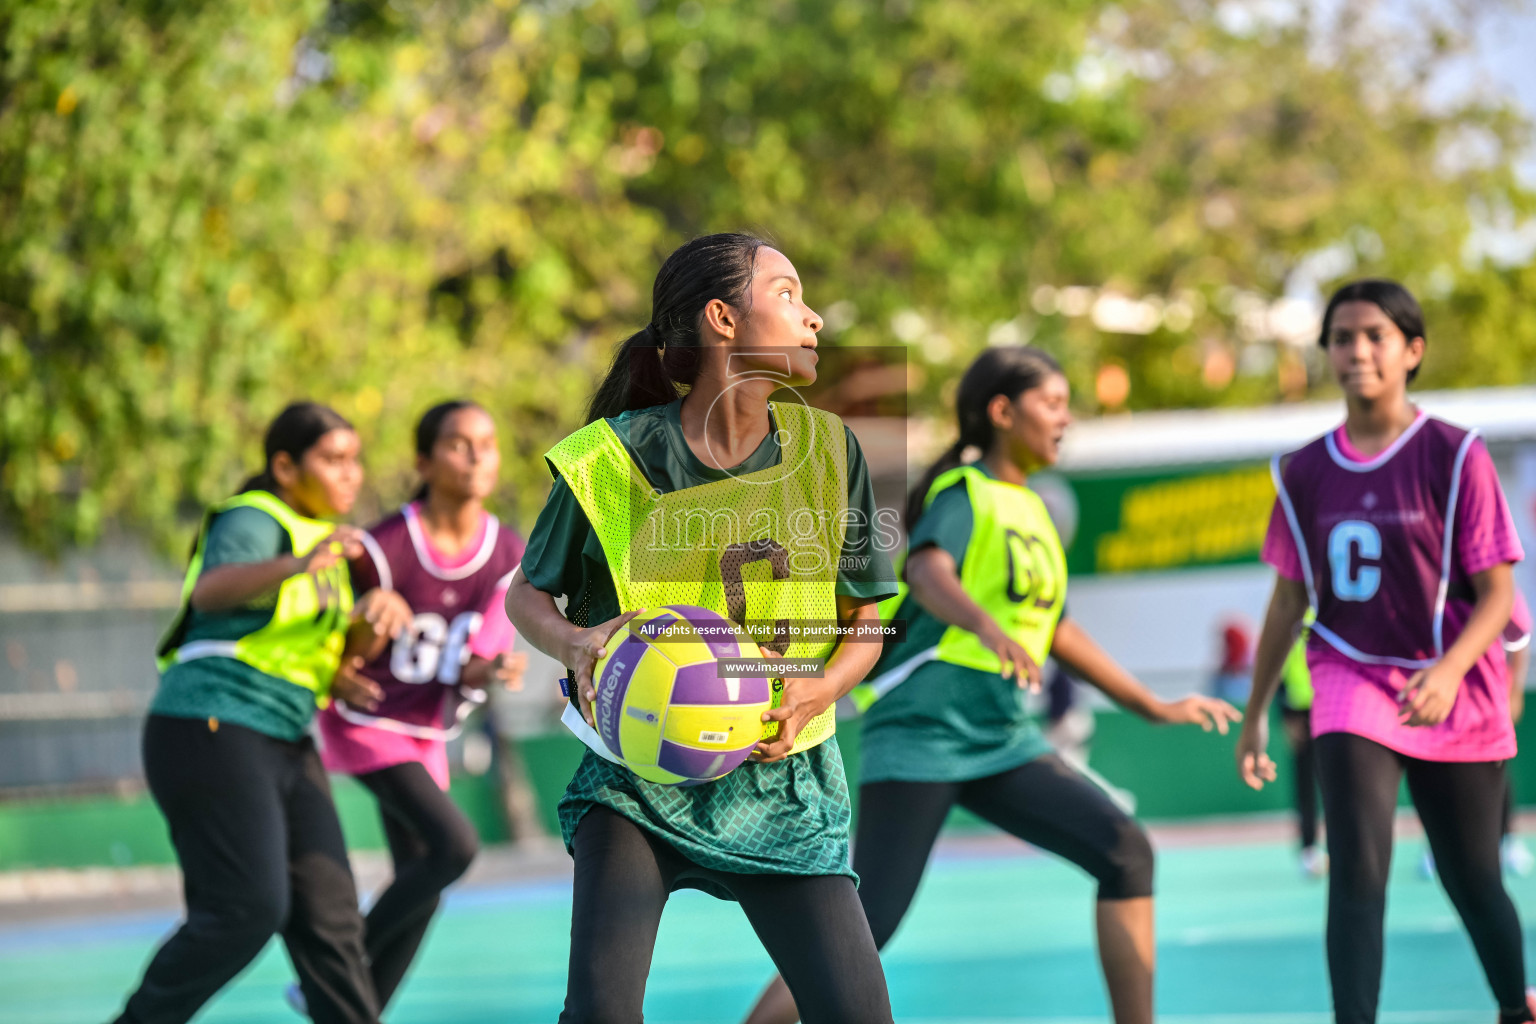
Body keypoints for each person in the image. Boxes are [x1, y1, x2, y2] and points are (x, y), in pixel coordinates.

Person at [744, 346, 1239, 1024]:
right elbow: (926, 572)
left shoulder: (1034, 510)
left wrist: (1149, 704)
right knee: (870, 921)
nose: (1067, 419)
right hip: (927, 727)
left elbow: (1057, 629)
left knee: (1126, 852)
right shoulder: (964, 493)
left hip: (1002, 734)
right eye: (1053, 404)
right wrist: (985, 626)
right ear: (1003, 412)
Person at [504, 233, 898, 1024]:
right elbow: (526, 596)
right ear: (723, 318)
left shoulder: (831, 449)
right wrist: (576, 642)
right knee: (601, 1016)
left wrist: (818, 690)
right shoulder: (611, 460)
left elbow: (869, 616)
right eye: (787, 294)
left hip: (783, 782)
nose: (814, 316)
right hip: (637, 775)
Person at [1234, 279, 1533, 1024]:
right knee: (1358, 870)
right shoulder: (1301, 471)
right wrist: (1254, 713)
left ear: (1412, 351)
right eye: (1342, 337)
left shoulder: (1454, 455)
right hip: (1348, 675)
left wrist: (1451, 670)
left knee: (1473, 877)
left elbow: (1498, 596)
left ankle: (1513, 1005)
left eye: (1374, 335)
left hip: (1450, 685)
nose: (1357, 350)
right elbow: (1288, 599)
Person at [111, 402, 409, 1024]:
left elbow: (313, 657)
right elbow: (211, 592)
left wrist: (373, 622)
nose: (350, 475)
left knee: (331, 920)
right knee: (245, 909)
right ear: (284, 465)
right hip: (211, 726)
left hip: (282, 736)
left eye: (355, 461)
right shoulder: (258, 519)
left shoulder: (326, 552)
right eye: (332, 460)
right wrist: (302, 563)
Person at [308, 400, 526, 1013]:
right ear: (424, 462)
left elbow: (473, 662)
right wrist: (341, 661)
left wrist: (495, 669)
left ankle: (351, 1008)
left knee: (424, 886)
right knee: (454, 847)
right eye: (460, 443)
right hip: (367, 718)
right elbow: (326, 630)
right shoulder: (381, 547)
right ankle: (337, 971)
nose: (478, 454)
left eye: (487, 442)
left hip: (426, 730)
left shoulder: (506, 551)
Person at [1279, 612, 1327, 878]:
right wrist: (1286, 714)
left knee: (1340, 784)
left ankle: (1343, 846)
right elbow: (1278, 666)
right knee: (1305, 786)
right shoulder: (1292, 613)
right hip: (1302, 713)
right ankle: (1309, 849)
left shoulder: (1332, 606)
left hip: (1335, 709)